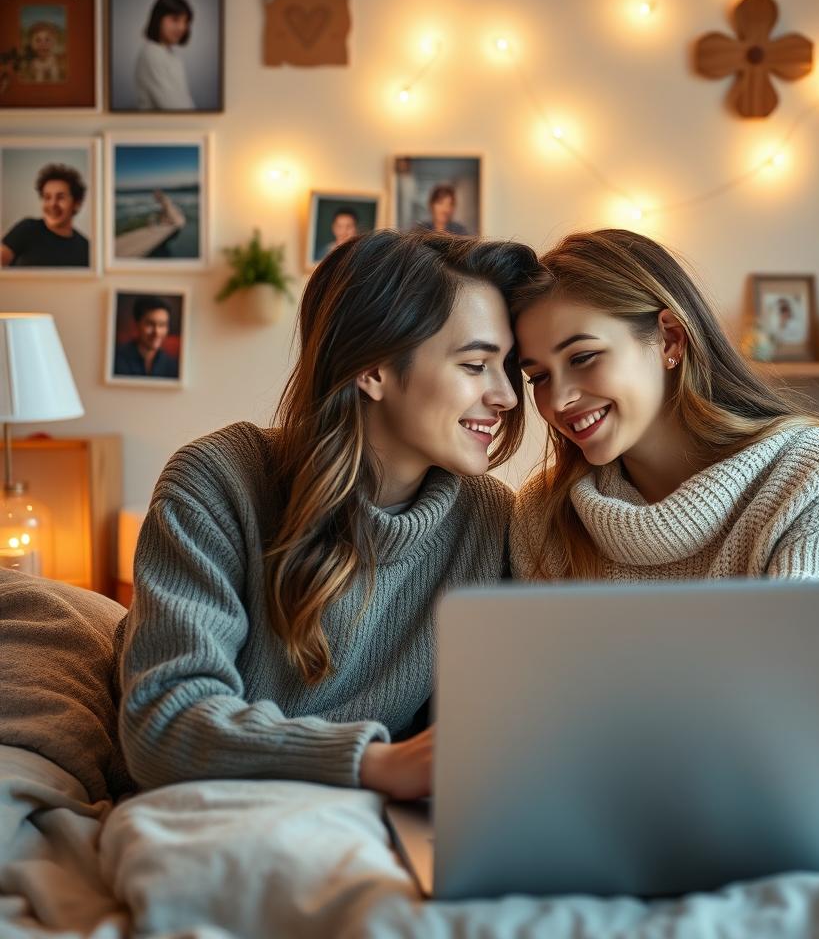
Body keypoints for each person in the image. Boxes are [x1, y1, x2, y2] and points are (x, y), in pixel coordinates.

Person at [118, 230, 539, 801]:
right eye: (474, 365)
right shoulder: (218, 481)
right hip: (223, 806)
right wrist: (374, 762)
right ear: (372, 369)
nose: (507, 397)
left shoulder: (489, 521)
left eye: (507, 367)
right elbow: (163, 727)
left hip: (385, 819)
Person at [511, 229, 819, 583]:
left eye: (583, 358)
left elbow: (806, 653)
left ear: (670, 340)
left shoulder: (816, 474)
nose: (559, 400)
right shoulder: (544, 514)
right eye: (539, 377)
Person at [1, 163, 89, 268]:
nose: (52, 204)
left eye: (61, 197)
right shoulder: (26, 229)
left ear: (76, 203)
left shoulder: (86, 248)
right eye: (47, 197)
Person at [135, 0, 196, 110]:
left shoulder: (171, 55)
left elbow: (186, 101)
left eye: (185, 22)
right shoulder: (151, 55)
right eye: (175, 19)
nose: (182, 27)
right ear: (158, 19)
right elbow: (174, 107)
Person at [113, 296, 180, 379]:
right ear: (136, 325)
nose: (157, 332)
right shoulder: (116, 359)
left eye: (162, 325)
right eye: (150, 324)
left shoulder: (172, 366)